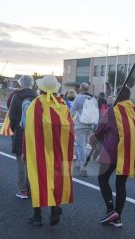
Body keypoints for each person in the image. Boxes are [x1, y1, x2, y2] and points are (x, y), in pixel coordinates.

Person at [23, 75, 74, 226]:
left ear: (40, 89)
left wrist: (25, 150)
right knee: (56, 178)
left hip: (39, 149)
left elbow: (29, 129)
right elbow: (70, 127)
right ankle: (55, 207)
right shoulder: (62, 104)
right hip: (59, 149)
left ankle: (37, 216)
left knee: (36, 178)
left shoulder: (36, 104)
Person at [89, 86, 135, 227]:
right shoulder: (132, 110)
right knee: (121, 184)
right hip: (127, 151)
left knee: (102, 178)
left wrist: (93, 139)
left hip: (111, 151)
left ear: (118, 96)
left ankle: (111, 210)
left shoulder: (112, 111)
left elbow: (100, 130)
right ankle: (118, 217)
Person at [9, 75, 37, 199]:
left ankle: (23, 189)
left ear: (21, 84)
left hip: (20, 132)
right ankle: (32, 188)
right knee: (32, 162)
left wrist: (15, 129)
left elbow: (12, 116)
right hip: (35, 133)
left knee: (21, 161)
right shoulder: (38, 97)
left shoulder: (17, 96)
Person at [70, 82, 95, 177]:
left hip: (80, 125)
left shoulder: (79, 98)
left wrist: (73, 119)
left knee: (81, 147)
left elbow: (72, 111)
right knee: (84, 146)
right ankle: (81, 165)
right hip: (90, 126)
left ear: (81, 89)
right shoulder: (93, 99)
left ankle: (83, 168)